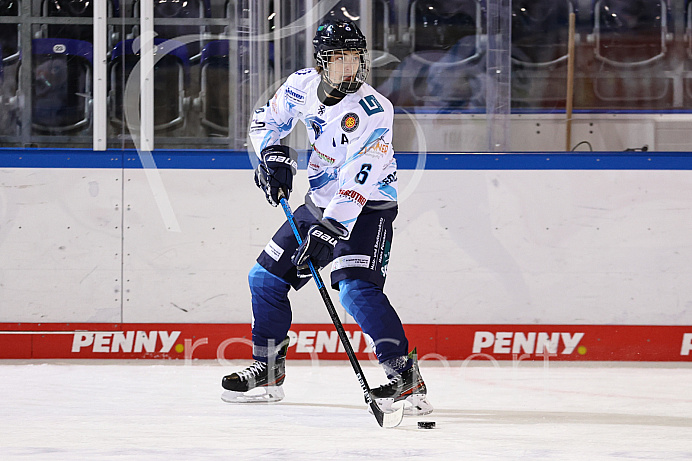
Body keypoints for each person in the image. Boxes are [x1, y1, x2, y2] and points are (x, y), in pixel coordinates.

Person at [221, 18, 432, 416]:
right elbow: (266, 121)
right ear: (321, 63)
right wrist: (271, 154)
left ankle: (404, 375)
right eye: (339, 58)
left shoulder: (373, 109)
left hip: (367, 205)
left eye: (355, 58)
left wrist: (330, 230)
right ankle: (268, 368)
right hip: (320, 200)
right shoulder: (301, 84)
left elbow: (359, 177)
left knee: (354, 289)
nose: (349, 66)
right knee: (263, 278)